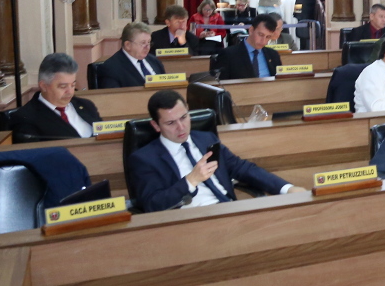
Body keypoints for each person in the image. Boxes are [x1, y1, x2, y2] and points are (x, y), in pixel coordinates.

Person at [127, 90, 303, 212]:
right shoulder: (144, 159)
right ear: (155, 125)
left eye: (184, 117)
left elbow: (243, 168)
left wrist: (286, 188)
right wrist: (190, 180)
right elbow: (152, 204)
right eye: (171, 123)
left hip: (227, 210)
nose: (181, 127)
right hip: (189, 223)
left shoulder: (206, 139)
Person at [8, 54, 101, 140]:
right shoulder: (26, 118)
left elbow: (104, 134)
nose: (70, 92)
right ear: (43, 86)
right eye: (63, 86)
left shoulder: (87, 106)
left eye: (73, 85)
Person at [96, 22, 166, 88]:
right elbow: (112, 97)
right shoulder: (111, 68)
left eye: (149, 42)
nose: (147, 47)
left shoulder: (154, 61)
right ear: (128, 45)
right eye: (143, 43)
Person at [216, 14, 281, 79]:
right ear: (251, 30)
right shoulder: (228, 55)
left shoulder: (273, 55)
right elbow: (220, 85)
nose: (263, 41)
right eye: (261, 35)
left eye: (268, 37)